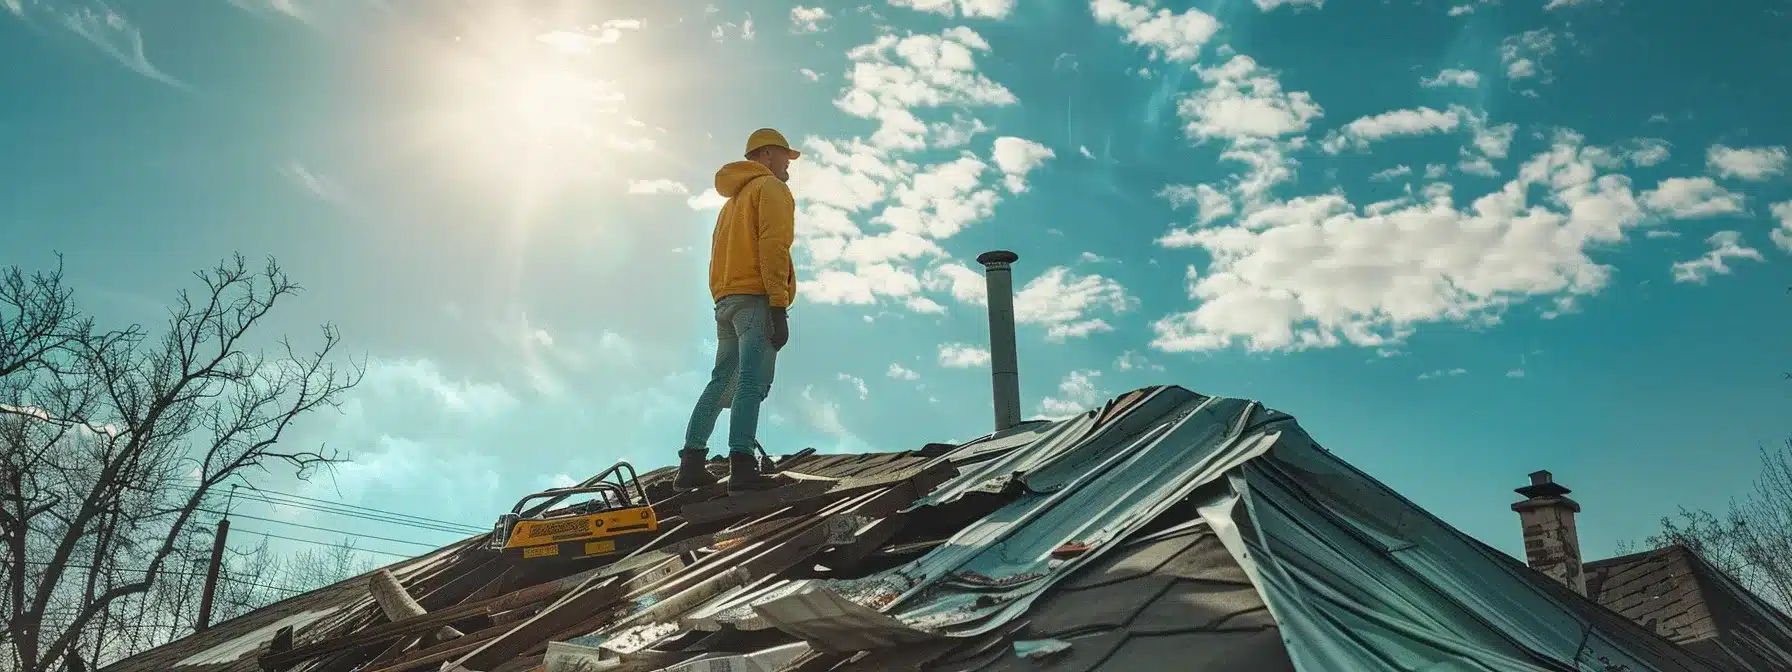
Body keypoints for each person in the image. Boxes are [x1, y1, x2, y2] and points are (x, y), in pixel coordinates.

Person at [675, 128, 799, 493]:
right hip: (756, 299)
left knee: (720, 381)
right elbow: (775, 246)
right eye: (783, 156)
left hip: (726, 302)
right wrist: (778, 306)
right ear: (764, 155)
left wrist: (721, 297)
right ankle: (742, 465)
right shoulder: (771, 190)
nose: (788, 164)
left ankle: (691, 465)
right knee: (751, 381)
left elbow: (715, 258)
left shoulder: (731, 204)